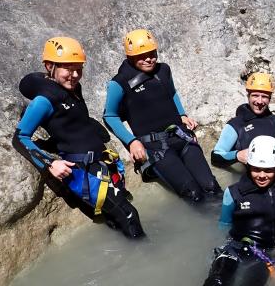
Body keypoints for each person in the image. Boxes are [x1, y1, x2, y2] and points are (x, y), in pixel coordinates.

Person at [13, 36, 145, 238]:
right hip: (82, 171)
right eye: (68, 69)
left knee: (116, 214)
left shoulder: (74, 89)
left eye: (79, 69)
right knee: (129, 215)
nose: (75, 75)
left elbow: (68, 125)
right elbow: (20, 138)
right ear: (50, 66)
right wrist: (50, 164)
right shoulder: (44, 101)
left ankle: (127, 247)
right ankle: (146, 253)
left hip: (99, 163)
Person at [103, 29, 221, 202]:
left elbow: (172, 92)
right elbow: (110, 116)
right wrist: (131, 141)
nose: (149, 58)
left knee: (212, 187)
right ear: (130, 56)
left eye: (152, 53)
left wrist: (181, 114)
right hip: (155, 147)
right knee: (193, 195)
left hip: (181, 137)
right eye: (142, 56)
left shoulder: (163, 70)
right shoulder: (119, 83)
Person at [204, 136, 275, 286]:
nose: (261, 175)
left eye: (268, 170)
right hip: (234, 247)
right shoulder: (233, 192)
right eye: (256, 169)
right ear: (248, 166)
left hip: (265, 253)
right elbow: (224, 224)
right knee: (217, 281)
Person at [211, 72, 275, 169]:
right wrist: (237, 155)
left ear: (270, 98)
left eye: (264, 96)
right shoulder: (235, 125)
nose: (259, 101)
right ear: (248, 96)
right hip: (251, 177)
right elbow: (215, 156)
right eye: (255, 95)